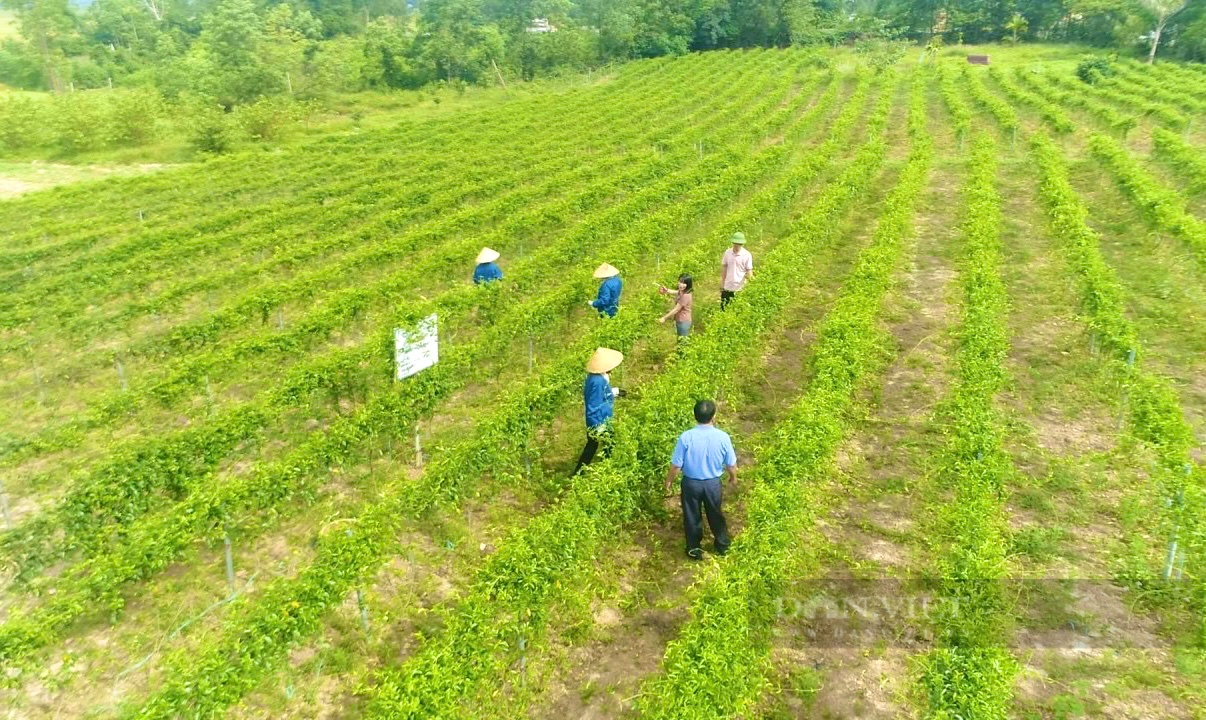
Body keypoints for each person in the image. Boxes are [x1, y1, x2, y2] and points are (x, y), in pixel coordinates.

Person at [664, 399, 736, 559]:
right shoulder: (723, 437)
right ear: (714, 416)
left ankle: (694, 548)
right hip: (712, 484)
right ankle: (722, 545)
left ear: (694, 416)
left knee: (691, 515)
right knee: (715, 513)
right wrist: (733, 477)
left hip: (691, 483)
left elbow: (676, 465)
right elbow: (731, 464)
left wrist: (669, 480)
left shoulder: (686, 437)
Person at [573, 347, 625, 476]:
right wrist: (598, 423)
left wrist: (616, 392)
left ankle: (580, 472)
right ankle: (589, 472)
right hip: (599, 419)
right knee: (603, 444)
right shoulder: (597, 381)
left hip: (600, 417)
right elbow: (595, 402)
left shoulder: (597, 377)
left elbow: (602, 394)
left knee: (596, 445)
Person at [719, 232, 754, 309]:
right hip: (728, 286)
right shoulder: (728, 253)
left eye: (739, 244)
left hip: (740, 288)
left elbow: (749, 271)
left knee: (737, 310)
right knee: (724, 308)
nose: (737, 245)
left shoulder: (747, 255)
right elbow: (724, 268)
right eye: (735, 243)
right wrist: (722, 284)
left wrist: (751, 283)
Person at [658, 274, 694, 338]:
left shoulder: (686, 295)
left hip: (684, 322)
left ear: (688, 284)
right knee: (680, 339)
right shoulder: (683, 291)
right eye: (680, 282)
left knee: (683, 341)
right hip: (679, 320)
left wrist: (664, 318)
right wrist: (666, 291)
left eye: (684, 283)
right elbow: (676, 292)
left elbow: (676, 309)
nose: (681, 284)